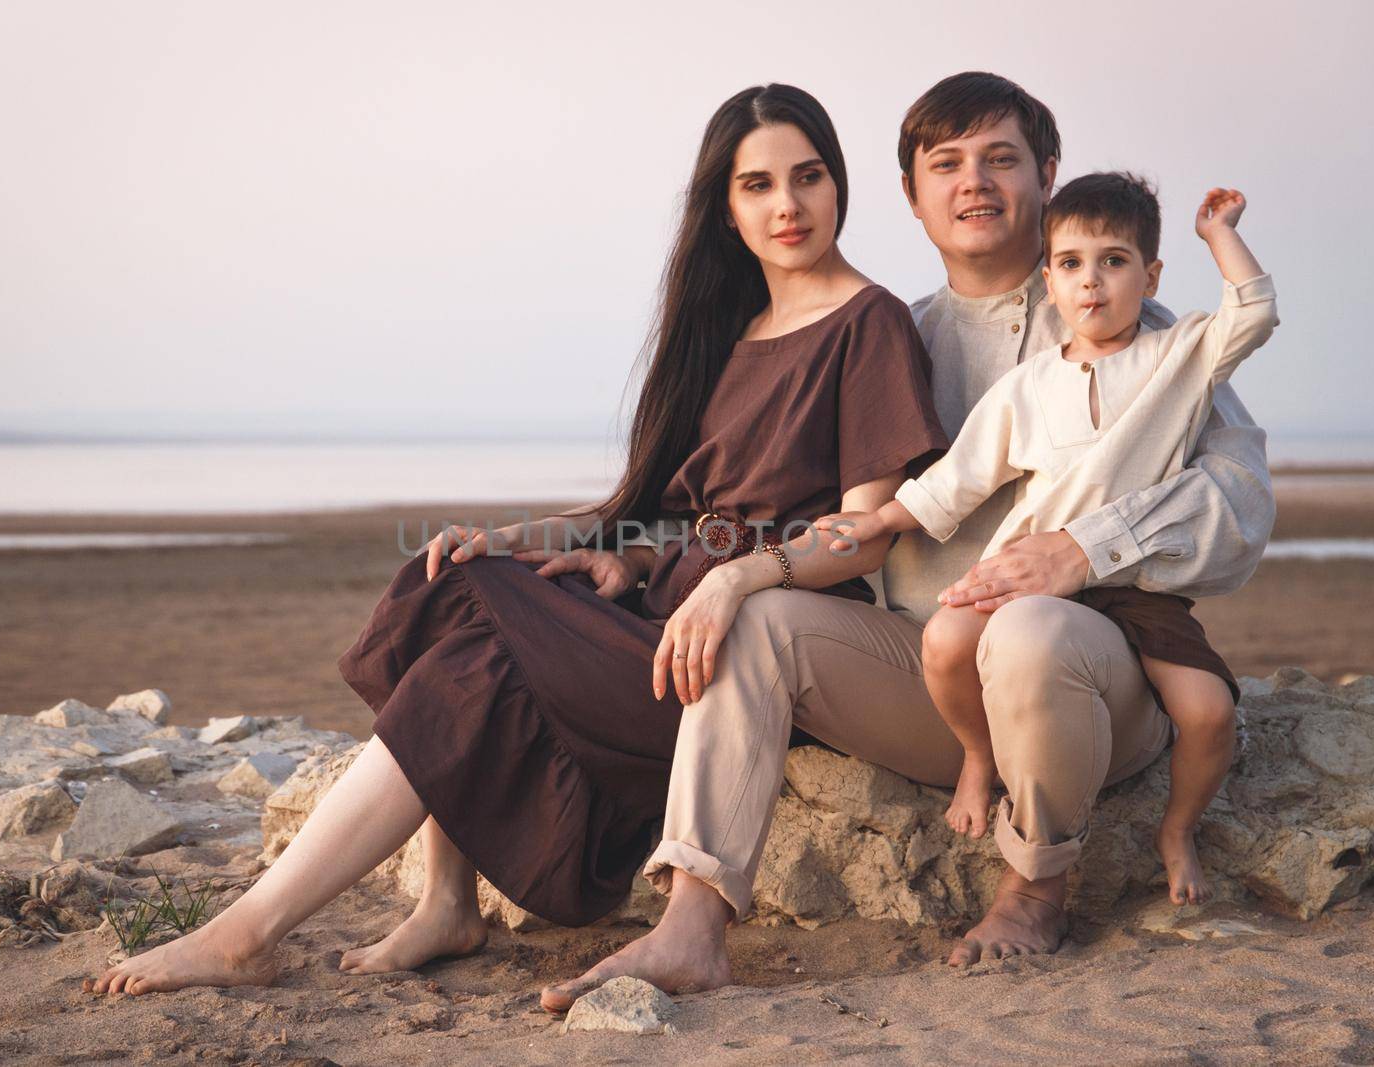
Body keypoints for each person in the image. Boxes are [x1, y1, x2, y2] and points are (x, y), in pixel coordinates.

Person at [88, 83, 946, 997]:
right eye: (758, 185)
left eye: (807, 177)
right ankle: (439, 905)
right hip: (665, 603)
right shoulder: (725, 332)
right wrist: (511, 537)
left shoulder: (871, 322)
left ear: (840, 184)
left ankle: (251, 933)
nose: (787, 205)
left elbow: (861, 535)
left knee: (475, 646)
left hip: (743, 644)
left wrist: (734, 580)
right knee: (459, 573)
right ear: (725, 210)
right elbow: (645, 509)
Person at [540, 71, 1273, 1007]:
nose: (975, 183)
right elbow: (815, 510)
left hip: (1097, 682)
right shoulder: (891, 332)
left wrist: (1085, 550)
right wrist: (712, 567)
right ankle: (690, 928)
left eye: (1002, 159)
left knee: (1029, 630)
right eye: (947, 164)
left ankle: (1036, 886)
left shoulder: (1141, 334)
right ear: (910, 195)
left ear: (1048, 176)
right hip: (933, 679)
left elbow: (1242, 502)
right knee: (760, 619)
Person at [813, 172, 1278, 905]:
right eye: (1070, 263)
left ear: (1149, 274)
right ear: (1048, 281)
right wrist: (879, 519)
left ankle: (1177, 829)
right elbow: (958, 478)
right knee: (942, 643)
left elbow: (1252, 310)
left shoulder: (1181, 357)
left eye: (1114, 261)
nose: (1091, 282)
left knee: (1210, 713)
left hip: (1135, 592)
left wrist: (1220, 234)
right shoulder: (1028, 387)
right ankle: (977, 756)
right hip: (1024, 579)